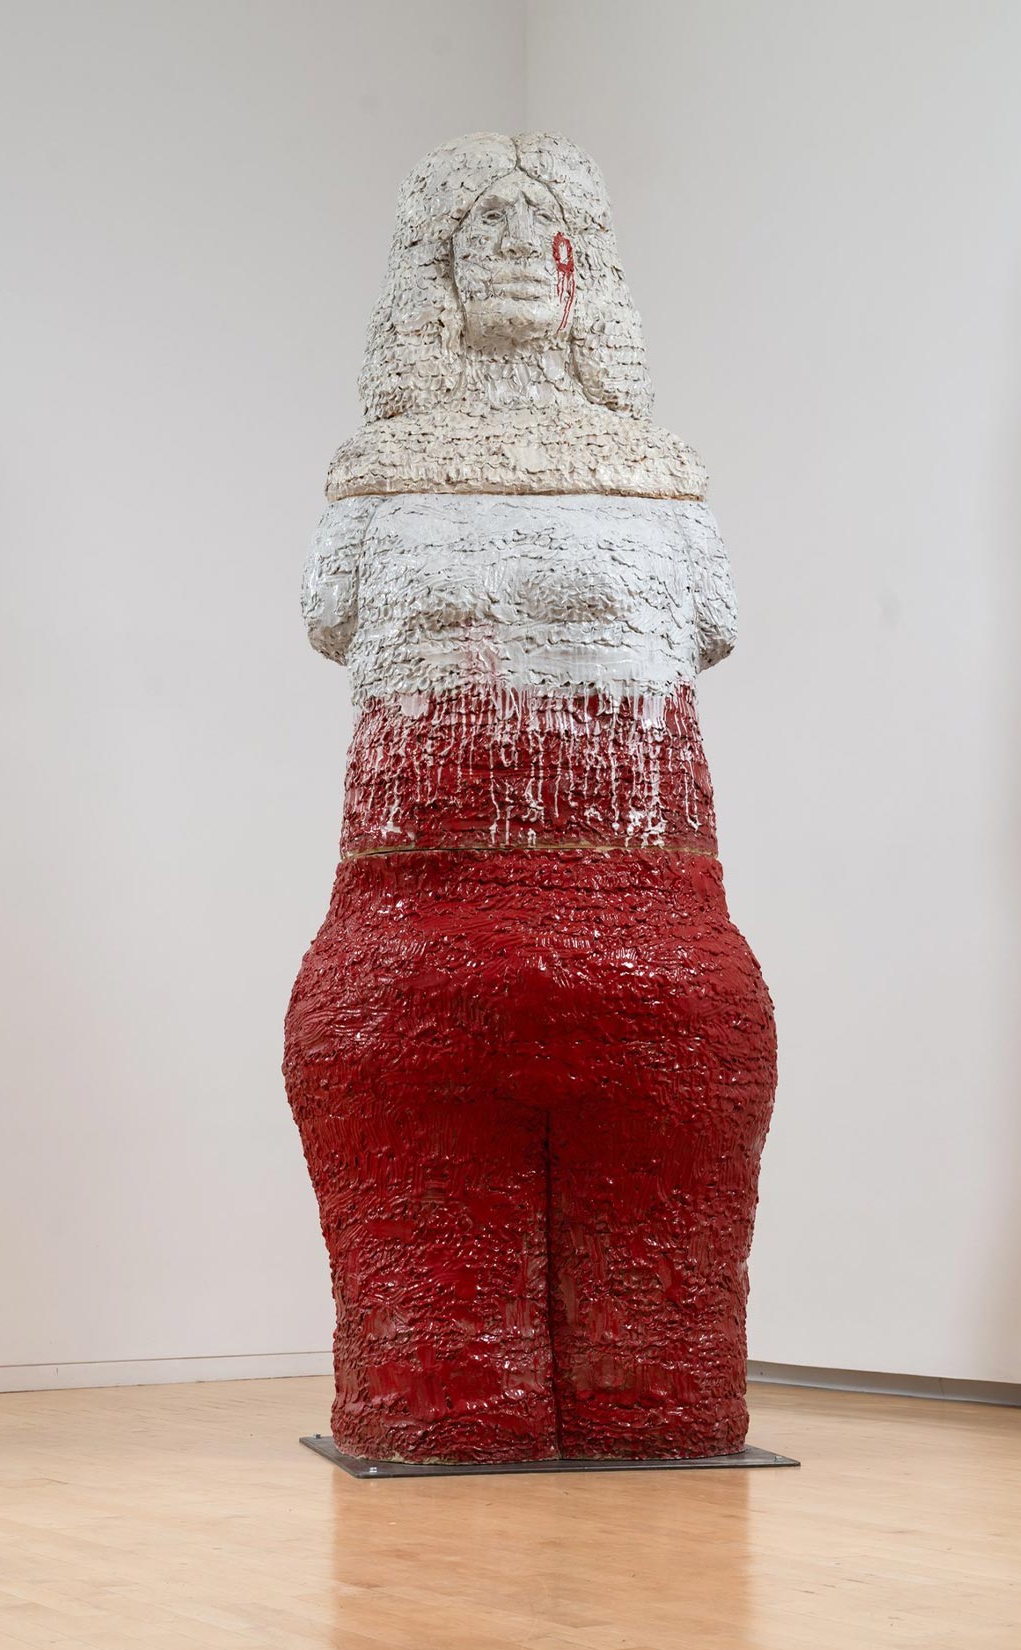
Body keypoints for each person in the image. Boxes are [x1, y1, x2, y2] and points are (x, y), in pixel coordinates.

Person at [284, 133, 776, 1463]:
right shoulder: (375, 478)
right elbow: (331, 613)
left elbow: (714, 625)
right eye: (478, 226)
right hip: (409, 963)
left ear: (583, 265)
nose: (510, 245)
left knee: (664, 1389)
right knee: (436, 1389)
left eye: (536, 220)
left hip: (659, 958)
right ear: (432, 269)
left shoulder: (662, 477)